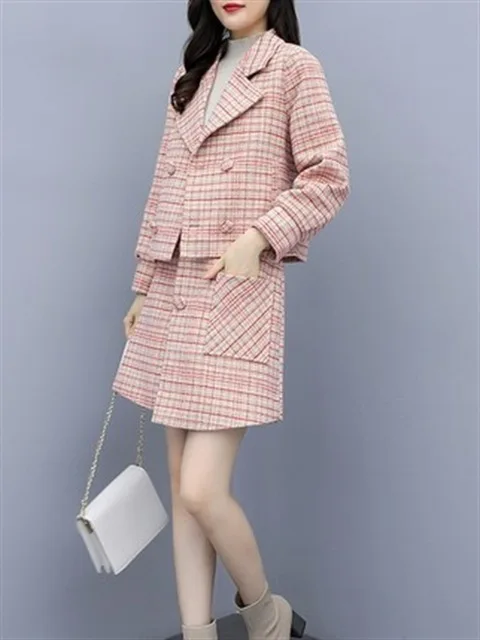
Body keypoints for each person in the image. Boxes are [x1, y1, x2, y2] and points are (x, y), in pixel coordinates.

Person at [112, 1, 350, 638]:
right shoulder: (191, 73)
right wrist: (143, 285)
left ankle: (265, 612)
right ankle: (198, 633)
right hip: (173, 287)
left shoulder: (294, 67)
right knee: (179, 488)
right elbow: (165, 183)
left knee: (201, 488)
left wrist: (261, 236)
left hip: (236, 288)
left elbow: (329, 174)